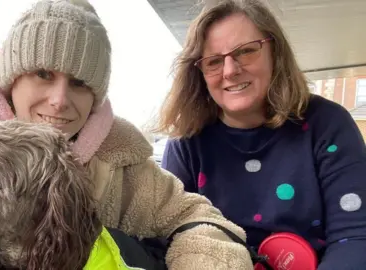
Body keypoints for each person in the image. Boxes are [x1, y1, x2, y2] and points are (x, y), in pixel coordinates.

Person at [0, 0, 254, 269]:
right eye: (43, 74)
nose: (60, 100)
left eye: (78, 83)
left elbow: (199, 219)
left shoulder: (120, 158)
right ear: (12, 78)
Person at [156, 0, 366, 269]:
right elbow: (165, 242)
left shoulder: (327, 124)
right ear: (200, 73)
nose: (230, 71)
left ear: (274, 52)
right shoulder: (186, 143)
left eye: (245, 51)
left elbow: (355, 237)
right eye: (214, 61)